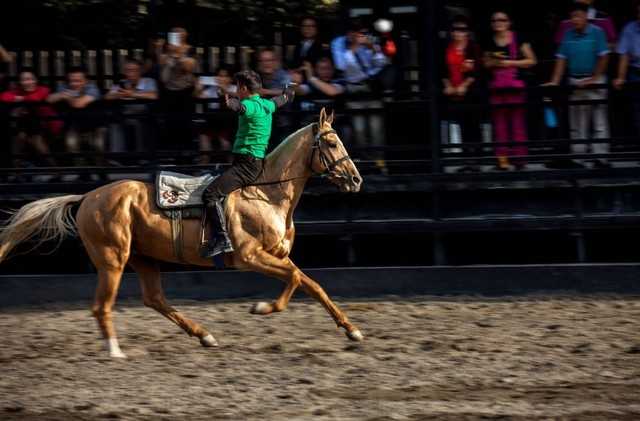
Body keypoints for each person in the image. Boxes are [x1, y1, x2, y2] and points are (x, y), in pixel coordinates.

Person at [200, 70, 295, 258]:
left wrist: (230, 103)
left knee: (209, 194)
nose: (236, 90)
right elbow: (283, 99)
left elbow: (241, 108)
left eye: (238, 87)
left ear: (243, 89)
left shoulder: (248, 105)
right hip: (255, 163)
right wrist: (287, 93)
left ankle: (221, 238)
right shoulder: (267, 104)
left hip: (245, 166)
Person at [545, 2, 610, 168]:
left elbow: (603, 57)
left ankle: (600, 158)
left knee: (599, 121)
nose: (575, 19)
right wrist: (554, 81)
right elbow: (561, 59)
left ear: (586, 16)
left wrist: (594, 78)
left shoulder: (598, 32)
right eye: (573, 16)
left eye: (578, 16)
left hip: (596, 81)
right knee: (577, 122)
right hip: (575, 80)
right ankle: (578, 158)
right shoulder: (567, 34)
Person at [484, 11, 537, 170]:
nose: (498, 22)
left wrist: (509, 63)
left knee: (518, 124)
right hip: (497, 89)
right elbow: (485, 63)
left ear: (509, 22)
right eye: (494, 20)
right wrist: (495, 62)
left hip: (515, 88)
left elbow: (532, 60)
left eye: (502, 19)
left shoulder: (519, 38)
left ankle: (520, 160)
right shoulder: (489, 41)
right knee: (499, 125)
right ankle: (503, 161)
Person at [442, 16, 483, 172]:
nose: (459, 33)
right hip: (454, 92)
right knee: (462, 125)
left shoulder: (473, 48)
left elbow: (476, 70)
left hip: (470, 92)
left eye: (462, 29)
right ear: (452, 32)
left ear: (467, 32)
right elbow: (442, 70)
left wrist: (464, 85)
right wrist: (449, 86)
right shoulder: (448, 48)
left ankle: (476, 161)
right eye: (456, 29)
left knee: (474, 125)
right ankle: (467, 160)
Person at [0, 69, 61, 167]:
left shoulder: (43, 90)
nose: (28, 82)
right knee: (22, 133)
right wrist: (17, 100)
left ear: (36, 80)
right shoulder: (18, 91)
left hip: (49, 127)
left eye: (31, 79)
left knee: (30, 134)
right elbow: (3, 96)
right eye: (24, 80)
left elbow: (35, 99)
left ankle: (54, 168)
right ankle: (18, 169)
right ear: (20, 82)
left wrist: (21, 99)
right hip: (30, 129)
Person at [47, 66, 105, 164]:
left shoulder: (92, 88)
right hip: (73, 125)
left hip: (94, 125)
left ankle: (100, 169)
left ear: (86, 81)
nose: (74, 84)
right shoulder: (64, 87)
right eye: (71, 81)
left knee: (98, 145)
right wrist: (61, 95)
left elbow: (79, 104)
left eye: (78, 81)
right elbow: (49, 99)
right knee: (71, 144)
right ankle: (80, 170)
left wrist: (68, 98)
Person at [105, 58, 158, 153]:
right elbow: (108, 97)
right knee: (115, 124)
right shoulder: (121, 83)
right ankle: (117, 157)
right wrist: (119, 95)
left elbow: (153, 95)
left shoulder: (148, 81)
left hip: (144, 116)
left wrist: (132, 94)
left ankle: (141, 156)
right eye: (127, 70)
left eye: (133, 70)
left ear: (140, 71)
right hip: (125, 115)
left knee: (141, 124)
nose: (130, 73)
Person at [158, 27, 197, 151]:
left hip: (185, 91)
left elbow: (188, 68)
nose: (178, 36)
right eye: (175, 34)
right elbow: (161, 65)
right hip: (169, 91)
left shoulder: (190, 49)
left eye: (180, 34)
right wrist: (166, 52)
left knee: (186, 124)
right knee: (170, 123)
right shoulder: (167, 50)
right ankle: (173, 153)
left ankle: (187, 154)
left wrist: (179, 54)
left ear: (185, 36)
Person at [195, 66, 237, 164]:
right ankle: (203, 169)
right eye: (219, 76)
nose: (221, 79)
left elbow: (236, 96)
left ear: (230, 78)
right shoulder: (211, 89)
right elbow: (198, 96)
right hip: (212, 121)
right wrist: (197, 88)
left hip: (228, 122)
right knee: (204, 143)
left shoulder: (235, 88)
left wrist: (224, 89)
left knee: (225, 145)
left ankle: (230, 167)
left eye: (224, 76)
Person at [257, 48, 293, 147]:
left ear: (276, 62)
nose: (266, 63)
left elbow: (290, 92)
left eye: (269, 60)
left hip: (283, 125)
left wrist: (265, 92)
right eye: (262, 61)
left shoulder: (284, 76)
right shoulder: (256, 77)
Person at [614, 0, 640, 137]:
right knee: (637, 110)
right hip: (636, 72)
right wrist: (621, 77)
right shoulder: (629, 28)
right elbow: (624, 55)